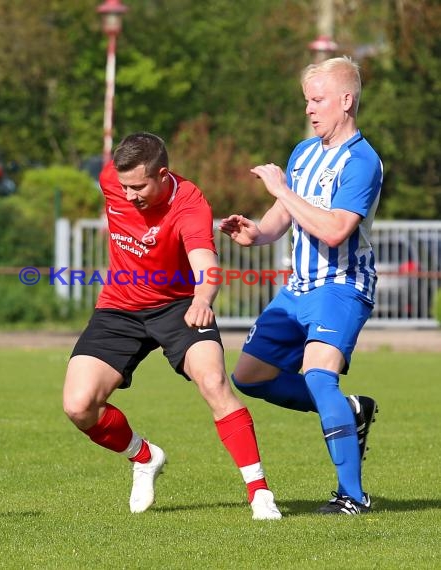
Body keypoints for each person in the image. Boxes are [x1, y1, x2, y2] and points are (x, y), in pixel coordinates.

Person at [63, 132, 282, 520]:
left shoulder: (190, 204)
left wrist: (202, 299)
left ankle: (259, 493)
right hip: (120, 305)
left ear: (163, 175)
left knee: (213, 382)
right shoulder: (112, 178)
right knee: (79, 406)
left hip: (180, 306)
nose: (128, 195)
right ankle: (144, 457)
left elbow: (205, 265)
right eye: (124, 186)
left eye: (139, 187)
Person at [219, 56, 381, 515]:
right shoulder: (304, 151)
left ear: (346, 101)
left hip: (342, 285)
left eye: (318, 100)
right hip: (298, 287)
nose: (310, 109)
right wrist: (254, 231)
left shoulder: (362, 162)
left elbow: (334, 230)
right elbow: (281, 220)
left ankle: (353, 496)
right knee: (249, 376)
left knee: (316, 374)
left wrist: (281, 190)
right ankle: (348, 412)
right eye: (307, 100)